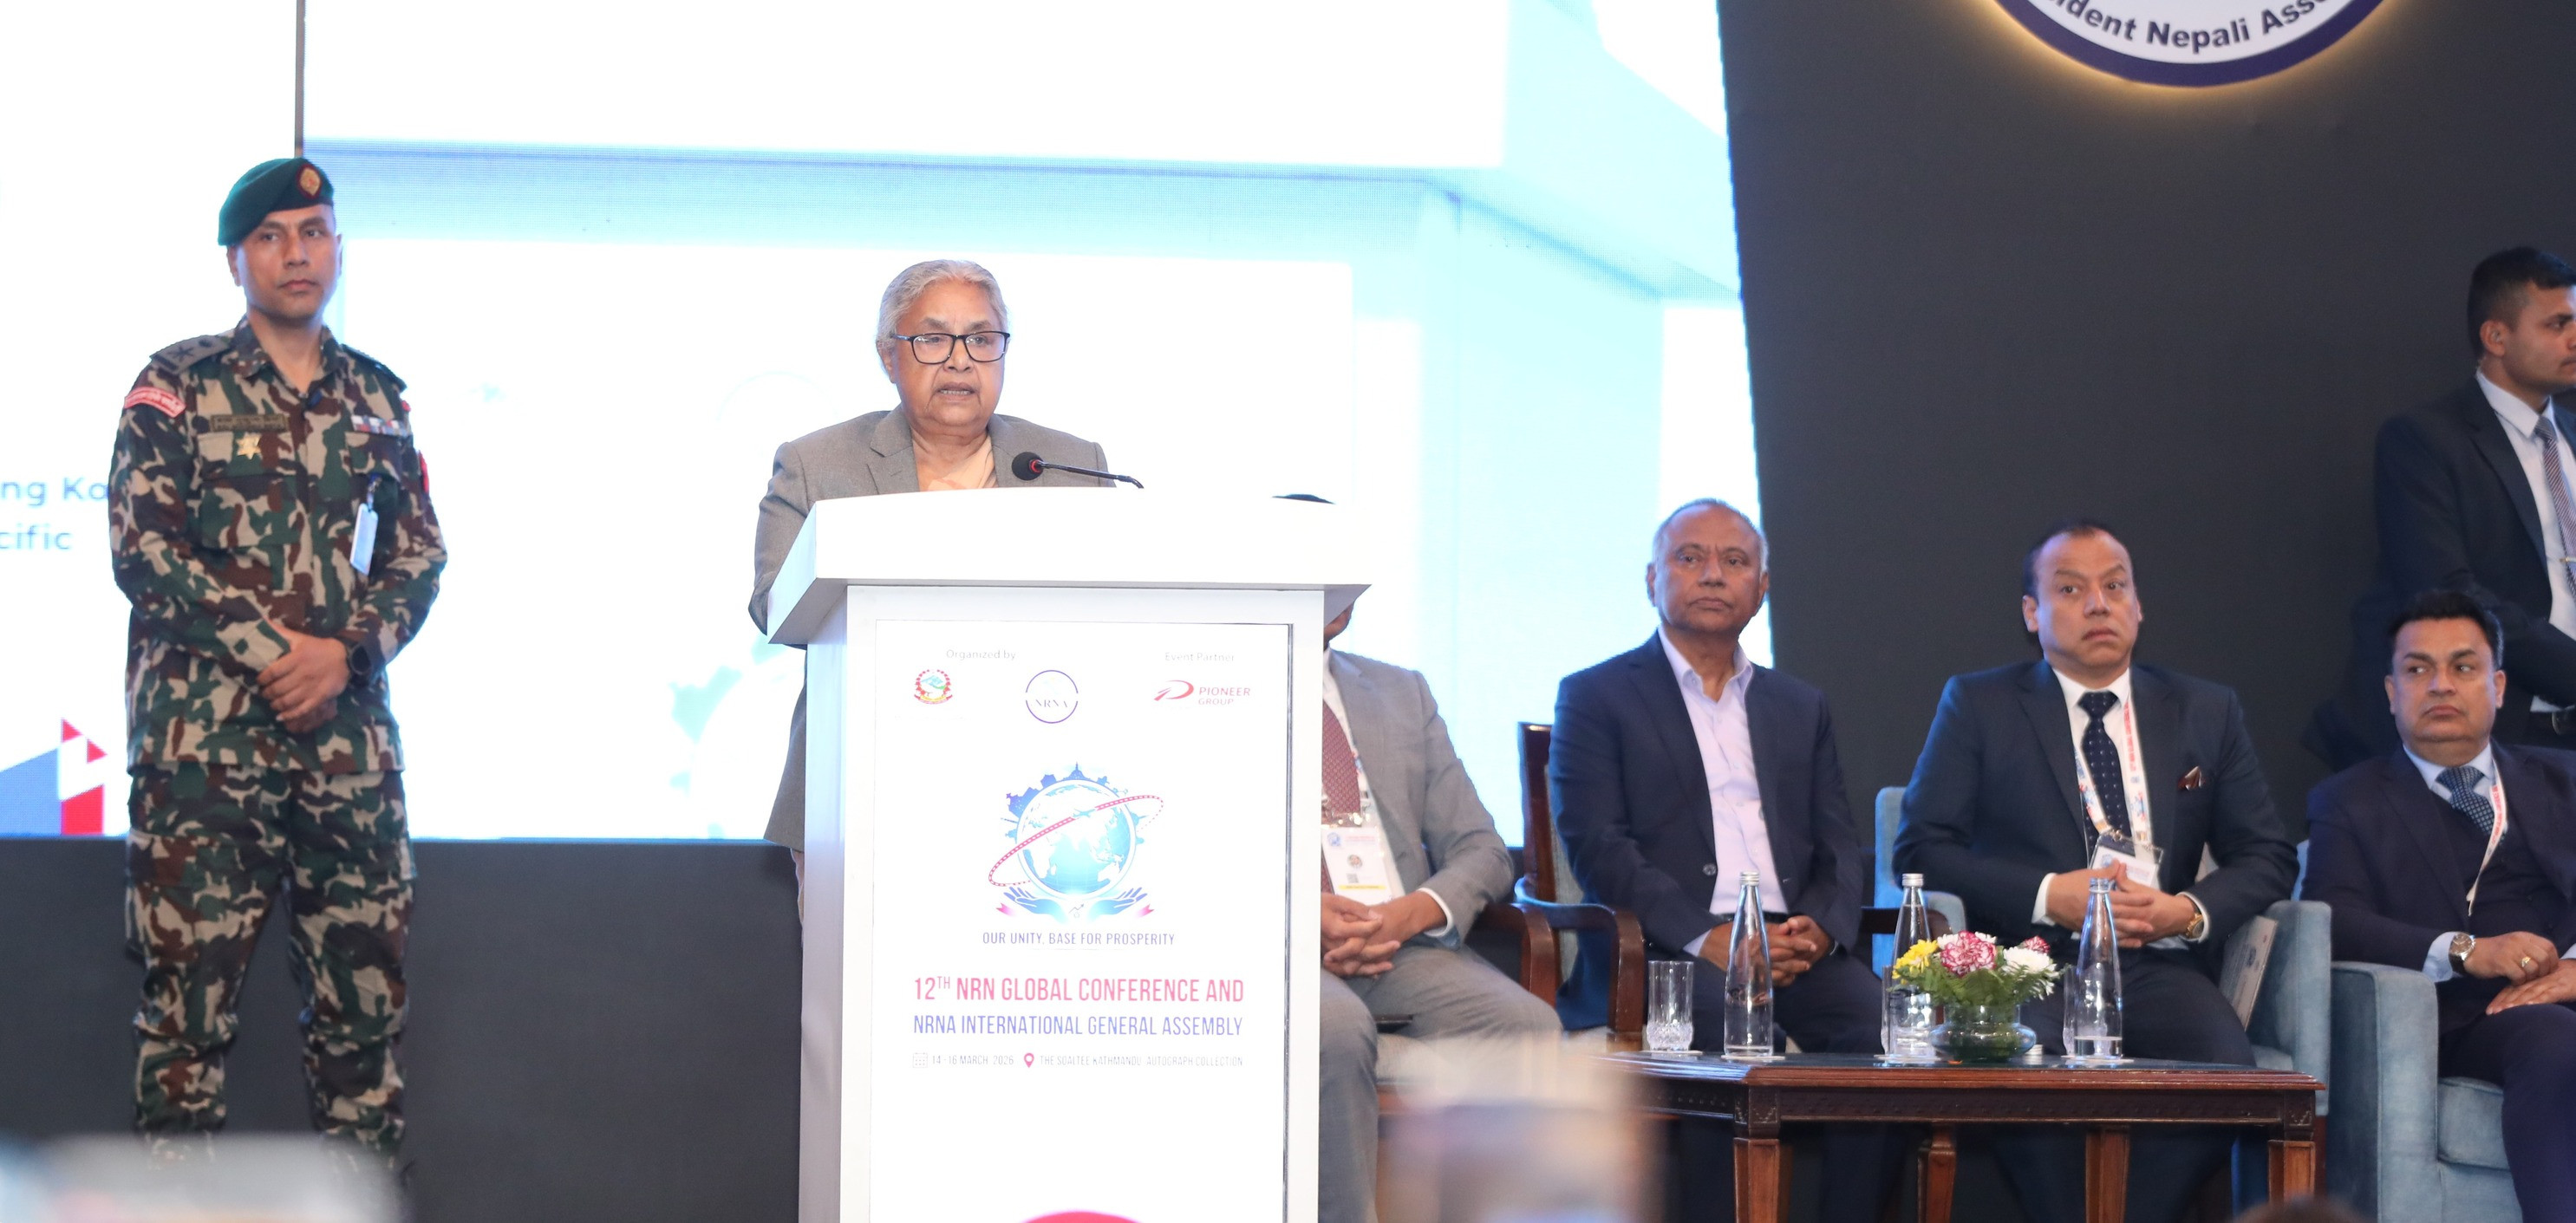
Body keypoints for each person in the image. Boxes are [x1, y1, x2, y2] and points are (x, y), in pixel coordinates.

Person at [108, 158, 447, 1159]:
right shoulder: (176, 385)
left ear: (337, 246)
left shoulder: (377, 394)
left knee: (363, 1034)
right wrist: (276, 654)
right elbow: (145, 551)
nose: (297, 253)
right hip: (203, 757)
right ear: (235, 259)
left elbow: (419, 556)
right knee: (185, 1033)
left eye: (314, 231)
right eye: (270, 236)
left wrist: (345, 654)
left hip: (348, 758)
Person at [1894, 519, 2297, 1223]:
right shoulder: (1980, 704)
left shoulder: (2205, 709)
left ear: (2137, 604)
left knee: (2228, 1079)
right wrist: (2049, 894)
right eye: (2070, 589)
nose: (2098, 604)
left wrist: (2186, 911)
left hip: (2157, 960)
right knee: (2023, 1078)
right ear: (2031, 612)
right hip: (2030, 961)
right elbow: (1920, 849)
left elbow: (2267, 854)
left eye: (2114, 586)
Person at [1549, 499, 1894, 1223]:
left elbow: (1837, 840)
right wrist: (1705, 937)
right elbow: (1597, 843)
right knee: (1734, 1042)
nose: (1712, 574)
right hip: (1669, 951)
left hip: (1790, 942)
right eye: (1690, 557)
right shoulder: (1596, 694)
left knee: (1884, 1038)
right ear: (1652, 579)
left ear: (1761, 587)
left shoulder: (1799, 704)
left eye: (1734, 561)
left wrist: (1820, 929)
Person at [748, 259, 1111, 887]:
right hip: (859, 785)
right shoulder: (817, 464)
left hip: (1036, 788)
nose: (960, 361)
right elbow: (772, 607)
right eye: (933, 339)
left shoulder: (1069, 464)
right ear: (889, 356)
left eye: (982, 339)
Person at [2303, 589, 2576, 1223]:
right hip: (2462, 1016)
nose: (2440, 685)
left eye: (2463, 666)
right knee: (2553, 1039)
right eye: (2417, 668)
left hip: (2565, 986)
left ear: (2498, 686)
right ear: (2391, 691)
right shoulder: (2349, 800)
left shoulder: (2564, 779)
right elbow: (2332, 920)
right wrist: (2465, 951)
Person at [1314, 590, 1561, 1223]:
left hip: (1402, 942)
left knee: (1526, 1026)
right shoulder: (1208, 681)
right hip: (1287, 950)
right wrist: (1300, 911)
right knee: (1334, 1030)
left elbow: (1482, 848)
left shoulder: (1402, 692)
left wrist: (1411, 912)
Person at [2312, 248, 2576, 766]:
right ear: (2496, 337)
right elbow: (2448, 593)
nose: (2574, 338)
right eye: (2557, 324)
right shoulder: (2425, 441)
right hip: (2495, 731)